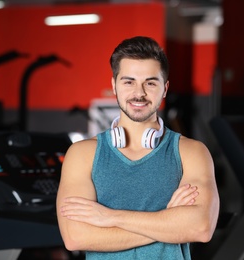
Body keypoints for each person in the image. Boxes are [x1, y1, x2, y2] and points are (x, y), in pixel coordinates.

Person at [56, 36, 220, 259]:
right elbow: (76, 236)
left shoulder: (191, 152)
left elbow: (201, 228)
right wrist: (169, 221)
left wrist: (111, 217)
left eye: (151, 83)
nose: (139, 93)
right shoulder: (83, 154)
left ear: (165, 88)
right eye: (129, 81)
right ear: (114, 85)